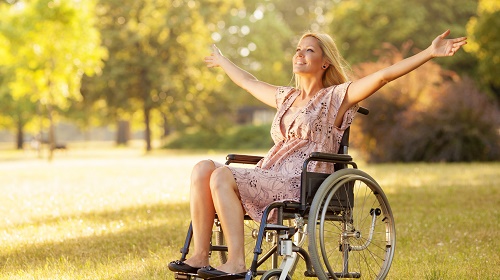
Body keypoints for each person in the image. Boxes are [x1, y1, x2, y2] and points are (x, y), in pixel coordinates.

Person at [168, 29, 467, 278]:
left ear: (324, 62)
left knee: (221, 174)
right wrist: (223, 61)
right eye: (298, 49)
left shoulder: (337, 97)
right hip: (270, 172)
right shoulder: (286, 97)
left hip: (303, 180)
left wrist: (429, 52)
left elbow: (383, 76)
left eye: (309, 50)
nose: (300, 54)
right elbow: (249, 81)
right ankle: (200, 255)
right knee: (203, 168)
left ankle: (236, 263)